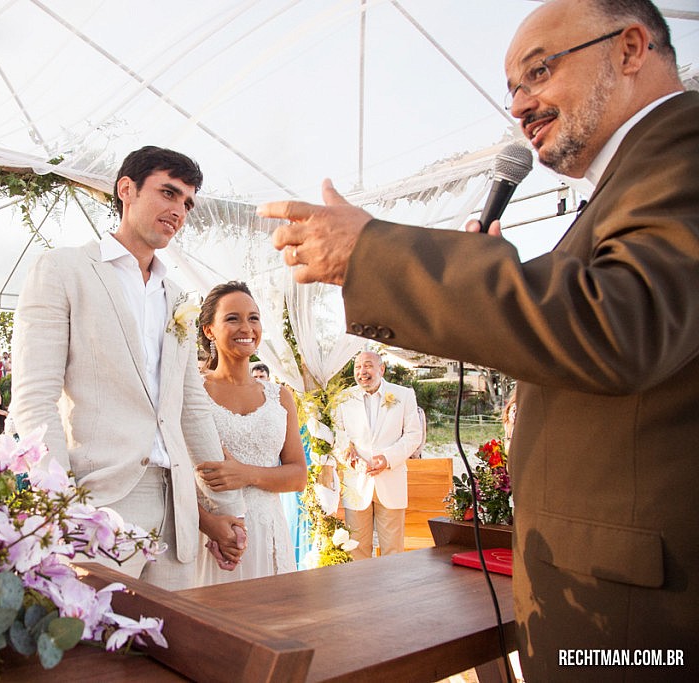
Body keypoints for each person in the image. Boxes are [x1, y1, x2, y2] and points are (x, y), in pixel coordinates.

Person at [260, 0, 697, 677]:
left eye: (538, 73)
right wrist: (484, 282)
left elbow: (622, 323)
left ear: (631, 48)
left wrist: (375, 255)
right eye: (511, 91)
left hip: (643, 624)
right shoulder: (633, 177)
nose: (520, 107)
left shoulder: (684, 149)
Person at [11, 145, 246, 591]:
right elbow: (34, 397)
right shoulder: (63, 270)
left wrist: (224, 506)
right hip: (99, 502)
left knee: (170, 651)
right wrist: (60, 504)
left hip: (178, 511)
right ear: (127, 190)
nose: (179, 210)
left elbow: (191, 408)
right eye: (169, 193)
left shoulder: (178, 296)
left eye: (187, 203)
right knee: (91, 651)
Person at [194, 282, 306, 584]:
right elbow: (173, 473)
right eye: (232, 318)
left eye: (253, 318)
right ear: (209, 330)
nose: (246, 327)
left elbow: (298, 476)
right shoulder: (192, 392)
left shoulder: (280, 396)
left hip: (269, 532)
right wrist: (209, 524)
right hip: (215, 535)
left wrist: (246, 474)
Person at [331, 351, 422, 559]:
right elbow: (337, 437)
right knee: (356, 550)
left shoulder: (404, 394)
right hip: (356, 484)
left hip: (391, 481)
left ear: (381, 369)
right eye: (357, 367)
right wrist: (349, 456)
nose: (362, 372)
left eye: (368, 365)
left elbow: (414, 435)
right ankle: (361, 592)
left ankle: (392, 592)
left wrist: (388, 459)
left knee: (393, 552)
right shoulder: (343, 398)